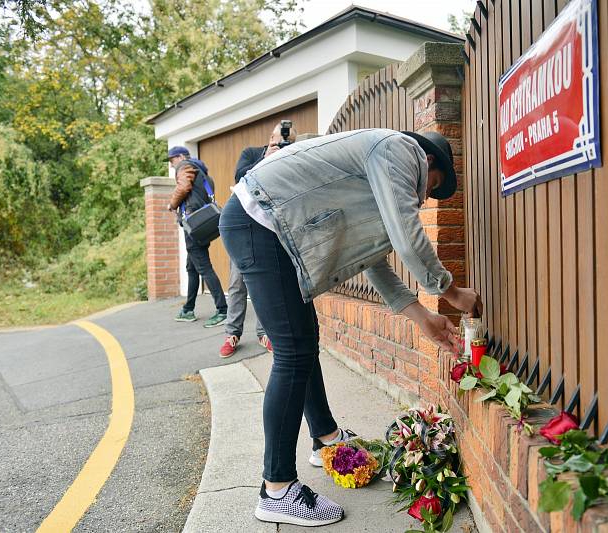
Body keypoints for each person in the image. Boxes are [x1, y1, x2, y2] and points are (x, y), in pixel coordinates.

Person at [219, 128, 482, 527]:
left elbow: (371, 260)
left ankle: (324, 438)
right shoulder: (399, 149)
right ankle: (277, 490)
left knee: (304, 344)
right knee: (293, 353)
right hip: (260, 224)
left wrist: (424, 318)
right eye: (434, 186)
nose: (427, 196)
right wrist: (452, 292)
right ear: (429, 162)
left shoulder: (374, 175)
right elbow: (409, 241)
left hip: (267, 226)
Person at [220, 123, 298, 358]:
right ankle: (232, 333)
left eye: (290, 143)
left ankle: (264, 333)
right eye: (281, 141)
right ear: (271, 138)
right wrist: (266, 157)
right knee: (237, 283)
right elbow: (239, 176)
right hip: (243, 226)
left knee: (268, 284)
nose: (285, 145)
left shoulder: (291, 158)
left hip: (271, 228)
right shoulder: (252, 153)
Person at [167, 148, 228, 328]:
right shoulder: (204, 175)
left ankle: (223, 309)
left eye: (172, 161)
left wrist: (172, 204)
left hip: (193, 224)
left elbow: (183, 186)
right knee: (192, 267)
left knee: (203, 267)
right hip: (202, 225)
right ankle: (188, 309)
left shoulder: (185, 166)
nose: (172, 165)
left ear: (180, 157)